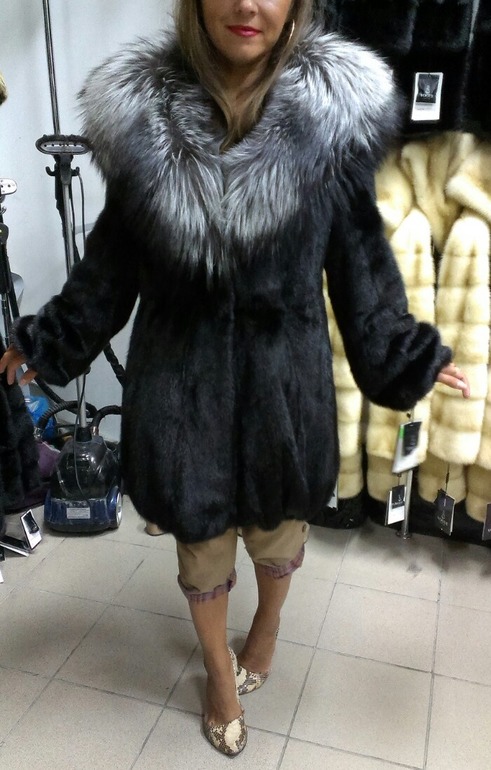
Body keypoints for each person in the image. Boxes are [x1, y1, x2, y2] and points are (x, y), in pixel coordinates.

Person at [0, 0, 470, 757]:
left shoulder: (327, 124)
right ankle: (218, 673)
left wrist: (403, 351)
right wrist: (49, 341)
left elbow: (360, 263)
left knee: (279, 537)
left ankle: (269, 626)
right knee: (201, 546)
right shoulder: (145, 123)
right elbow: (109, 267)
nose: (248, 4)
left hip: (284, 389)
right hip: (178, 388)